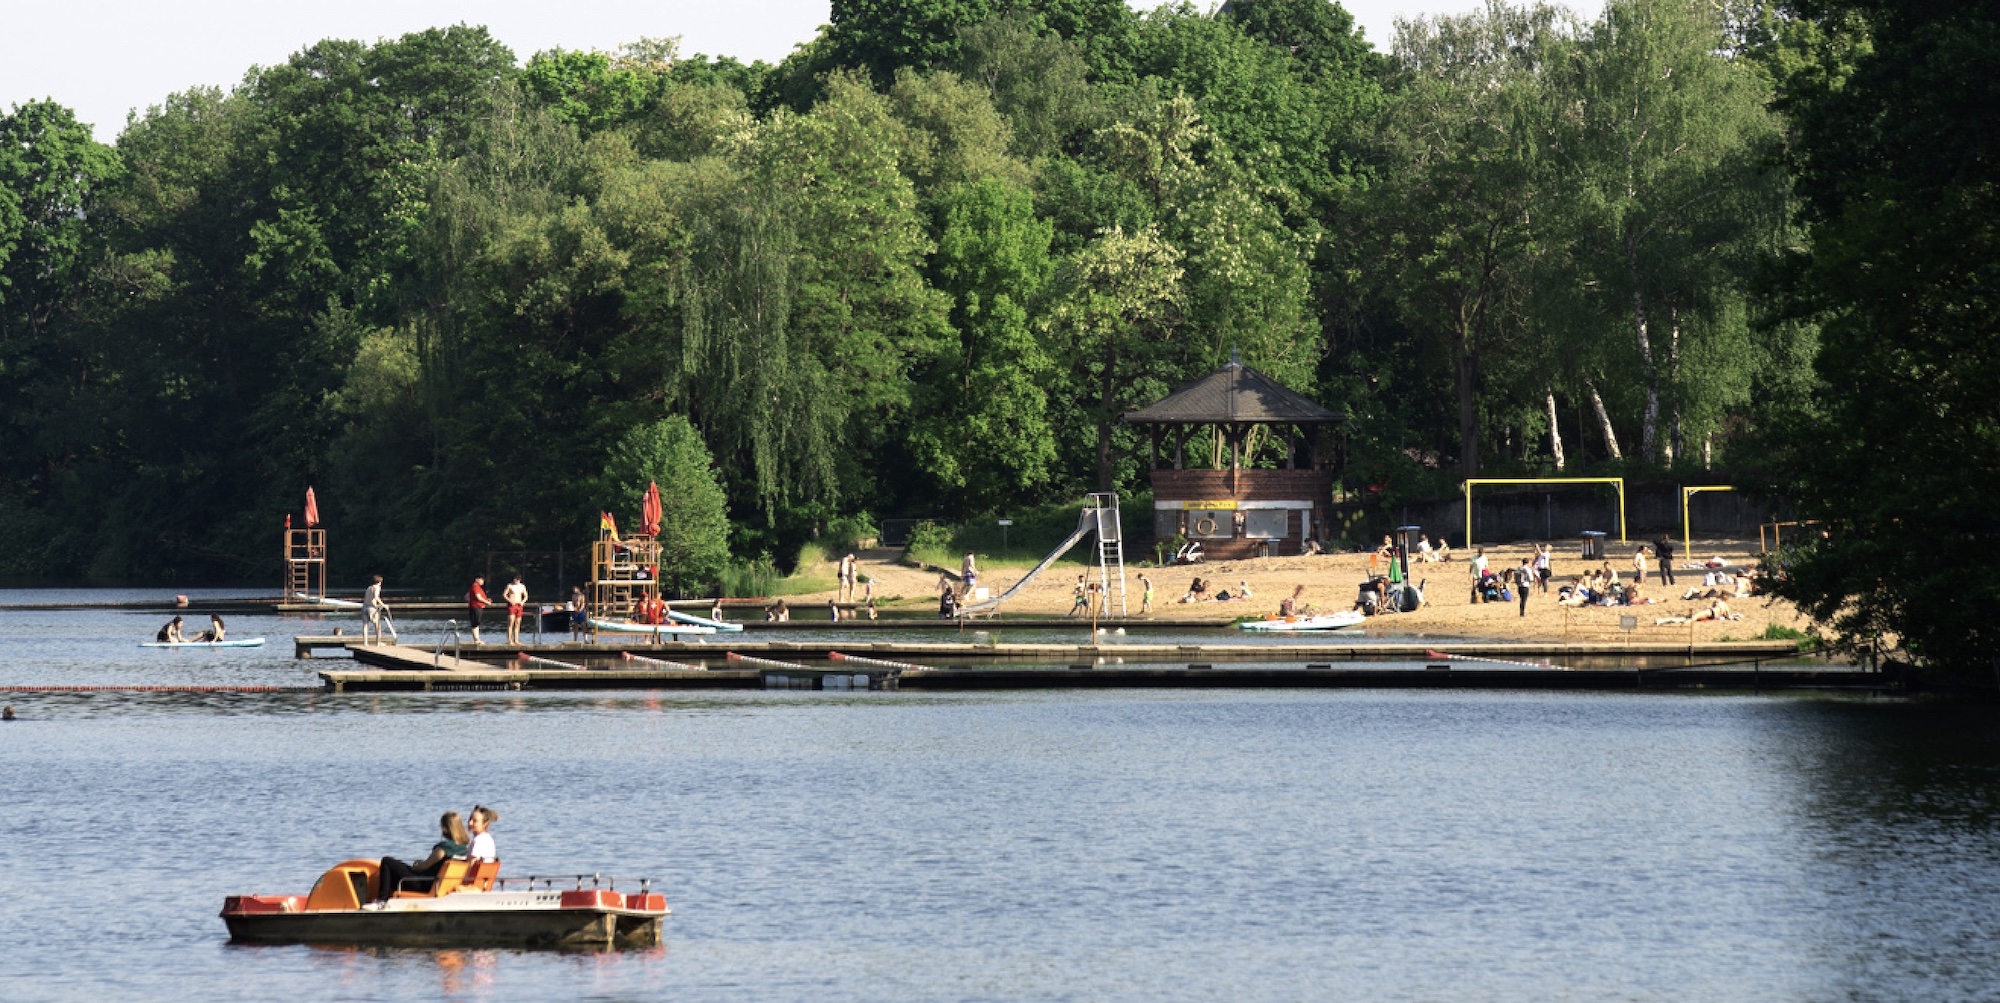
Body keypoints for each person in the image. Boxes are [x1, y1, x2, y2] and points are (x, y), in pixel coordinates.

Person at [376, 812, 471, 901]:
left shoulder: (443, 848)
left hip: (423, 883)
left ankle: (382, 899)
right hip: (436, 884)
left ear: (445, 828)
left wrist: (417, 865)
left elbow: (422, 867)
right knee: (397, 869)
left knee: (387, 861)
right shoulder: (463, 849)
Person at [363, 575, 397, 644]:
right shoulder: (377, 587)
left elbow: (367, 598)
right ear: (379, 582)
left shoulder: (369, 588)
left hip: (365, 607)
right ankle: (378, 643)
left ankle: (365, 643)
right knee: (378, 626)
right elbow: (376, 597)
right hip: (372, 608)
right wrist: (383, 605)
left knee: (365, 626)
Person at [502, 576, 528, 644]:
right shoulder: (510, 586)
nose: (517, 580)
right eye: (516, 579)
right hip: (512, 605)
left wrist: (522, 602)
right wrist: (510, 600)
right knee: (511, 622)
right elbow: (504, 595)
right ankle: (509, 640)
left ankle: (516, 640)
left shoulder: (522, 586)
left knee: (518, 623)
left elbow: (526, 596)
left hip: (519, 605)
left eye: (518, 579)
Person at [466, 577, 491, 645]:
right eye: (482, 580)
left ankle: (477, 639)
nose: (483, 581)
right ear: (477, 579)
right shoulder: (475, 586)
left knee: (477, 622)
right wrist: (486, 602)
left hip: (478, 607)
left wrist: (486, 599)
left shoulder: (478, 587)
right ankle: (476, 639)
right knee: (475, 622)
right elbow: (478, 597)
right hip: (475, 607)